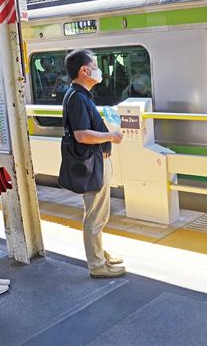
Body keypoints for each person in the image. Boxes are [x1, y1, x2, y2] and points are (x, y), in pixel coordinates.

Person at [63, 49, 126, 279]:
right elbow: (81, 135)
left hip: (94, 162)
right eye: (95, 65)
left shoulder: (79, 94)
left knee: (97, 213)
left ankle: (98, 252)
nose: (98, 70)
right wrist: (111, 137)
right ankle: (97, 264)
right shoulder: (78, 97)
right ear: (84, 70)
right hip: (92, 163)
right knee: (95, 216)